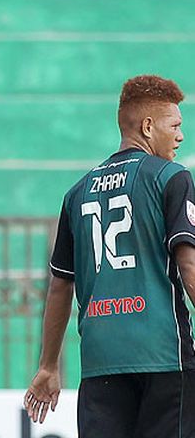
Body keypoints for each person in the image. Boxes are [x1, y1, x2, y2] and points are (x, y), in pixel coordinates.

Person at [24, 75, 195, 437]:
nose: (180, 136)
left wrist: (48, 365)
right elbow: (189, 266)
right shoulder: (171, 178)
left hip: (101, 361)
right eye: (175, 126)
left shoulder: (77, 192)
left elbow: (59, 286)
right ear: (149, 127)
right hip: (164, 355)